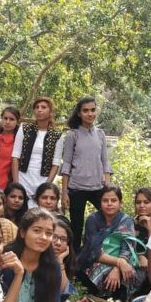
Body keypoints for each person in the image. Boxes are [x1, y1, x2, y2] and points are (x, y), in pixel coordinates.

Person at [60, 97, 112, 250]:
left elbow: (105, 161)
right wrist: (64, 192)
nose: (90, 113)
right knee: (76, 228)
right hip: (76, 188)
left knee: (109, 220)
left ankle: (101, 252)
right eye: (86, 110)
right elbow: (67, 164)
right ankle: (74, 265)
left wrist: (107, 187)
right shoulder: (72, 135)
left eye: (93, 110)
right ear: (79, 113)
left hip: (98, 187)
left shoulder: (100, 134)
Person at [77, 185, 144, 301]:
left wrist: (117, 268)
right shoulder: (93, 220)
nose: (109, 204)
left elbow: (127, 248)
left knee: (129, 271)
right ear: (100, 202)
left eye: (113, 200)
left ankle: (119, 301)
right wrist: (118, 262)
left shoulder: (126, 221)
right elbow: (94, 252)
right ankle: (97, 296)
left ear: (120, 203)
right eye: (105, 200)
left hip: (122, 261)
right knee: (94, 269)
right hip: (96, 260)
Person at [11, 97, 62, 207]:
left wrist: (47, 186)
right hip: (23, 177)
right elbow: (15, 156)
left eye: (43, 107)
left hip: (43, 179)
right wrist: (16, 183)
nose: (39, 110)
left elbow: (56, 164)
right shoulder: (24, 129)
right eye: (37, 107)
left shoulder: (57, 135)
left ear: (50, 111)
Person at [52, 217, 88, 302]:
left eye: (63, 239)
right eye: (54, 237)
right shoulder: (34, 261)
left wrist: (60, 261)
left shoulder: (61, 261)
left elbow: (63, 293)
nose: (58, 243)